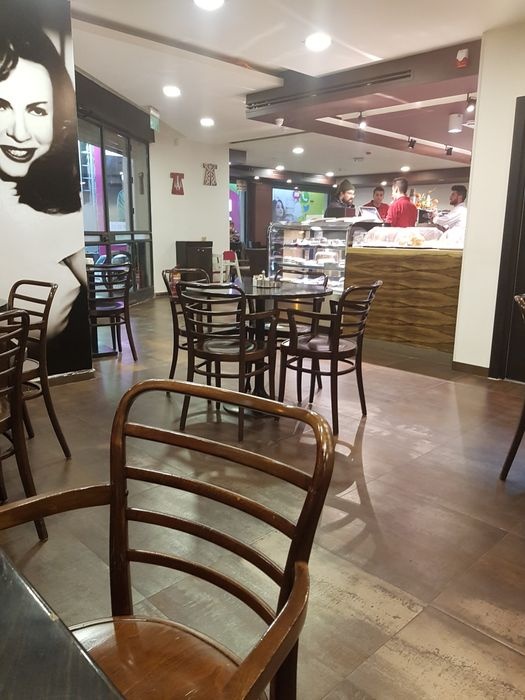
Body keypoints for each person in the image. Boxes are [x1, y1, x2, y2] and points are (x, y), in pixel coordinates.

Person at [0, 10, 90, 373]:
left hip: (20, 375)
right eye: (2, 106)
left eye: (37, 110)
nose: (19, 132)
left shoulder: (59, 215)